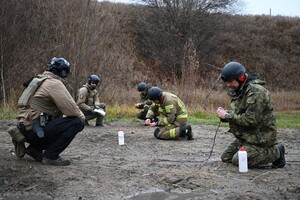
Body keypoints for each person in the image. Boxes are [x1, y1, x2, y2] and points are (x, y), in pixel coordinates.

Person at [8, 57, 85, 166]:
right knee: (77, 122)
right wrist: (82, 120)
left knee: (54, 120)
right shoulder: (54, 83)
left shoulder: (38, 80)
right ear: (62, 71)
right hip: (35, 132)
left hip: (26, 130)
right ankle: (51, 156)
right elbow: (72, 110)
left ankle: (34, 150)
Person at [216, 61, 285, 168]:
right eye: (227, 82)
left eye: (230, 81)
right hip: (247, 136)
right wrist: (225, 115)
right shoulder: (240, 91)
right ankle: (253, 150)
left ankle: (277, 151)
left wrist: (227, 116)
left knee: (238, 160)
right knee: (227, 157)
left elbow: (251, 119)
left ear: (241, 78)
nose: (228, 85)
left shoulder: (256, 92)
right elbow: (239, 114)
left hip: (261, 137)